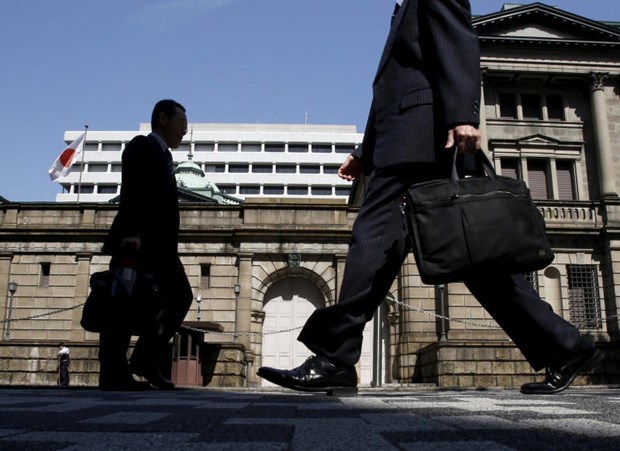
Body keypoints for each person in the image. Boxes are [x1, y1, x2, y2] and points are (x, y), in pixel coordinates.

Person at [258, 0, 603, 395]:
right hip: (407, 139)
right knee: (476, 257)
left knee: (373, 239)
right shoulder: (404, 6)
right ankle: (565, 347)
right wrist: (365, 151)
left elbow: (458, 42)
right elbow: (393, 86)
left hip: (420, 141)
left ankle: (334, 357)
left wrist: (463, 116)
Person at [99, 99, 193, 390]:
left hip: (159, 247)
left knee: (169, 299)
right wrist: (133, 235)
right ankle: (118, 370)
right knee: (124, 303)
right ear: (163, 118)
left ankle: (142, 360)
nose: (184, 132)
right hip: (139, 243)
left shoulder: (164, 157)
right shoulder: (142, 146)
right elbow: (134, 194)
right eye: (181, 124)